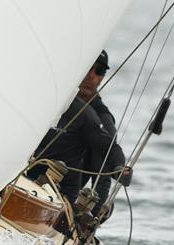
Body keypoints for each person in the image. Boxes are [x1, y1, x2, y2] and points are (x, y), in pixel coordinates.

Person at [26, 50, 129, 220]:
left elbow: (102, 176)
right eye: (88, 68)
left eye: (99, 71)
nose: (91, 76)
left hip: (60, 195)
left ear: (103, 77)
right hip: (22, 177)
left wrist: (88, 219)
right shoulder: (46, 98)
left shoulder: (99, 119)